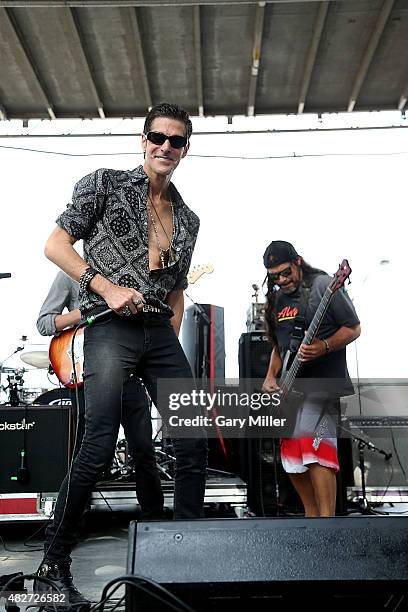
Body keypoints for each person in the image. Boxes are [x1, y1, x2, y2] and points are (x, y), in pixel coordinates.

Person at [36, 103, 208, 611]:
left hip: (157, 331)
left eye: (176, 141)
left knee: (192, 436)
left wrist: (170, 338)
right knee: (99, 438)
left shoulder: (189, 219)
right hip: (109, 327)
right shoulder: (104, 184)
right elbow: (55, 244)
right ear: (143, 139)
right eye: (158, 137)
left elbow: (175, 288)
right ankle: (54, 560)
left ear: (185, 149)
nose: (165, 147)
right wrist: (104, 286)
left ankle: (189, 559)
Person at [36, 270, 164, 511]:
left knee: (144, 450)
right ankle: (66, 528)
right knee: (90, 451)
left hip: (130, 373)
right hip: (92, 373)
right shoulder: (68, 275)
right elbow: (44, 323)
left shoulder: (130, 269)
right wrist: (87, 310)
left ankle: (155, 525)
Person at [261, 240, 360, 518]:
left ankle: (327, 521)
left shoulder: (323, 286)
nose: (282, 280)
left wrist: (324, 346)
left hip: (323, 384)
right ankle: (311, 516)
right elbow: (279, 347)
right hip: (292, 388)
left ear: (298, 261)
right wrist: (271, 376)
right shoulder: (278, 299)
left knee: (315, 447)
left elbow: (353, 328)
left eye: (285, 272)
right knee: (290, 455)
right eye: (275, 276)